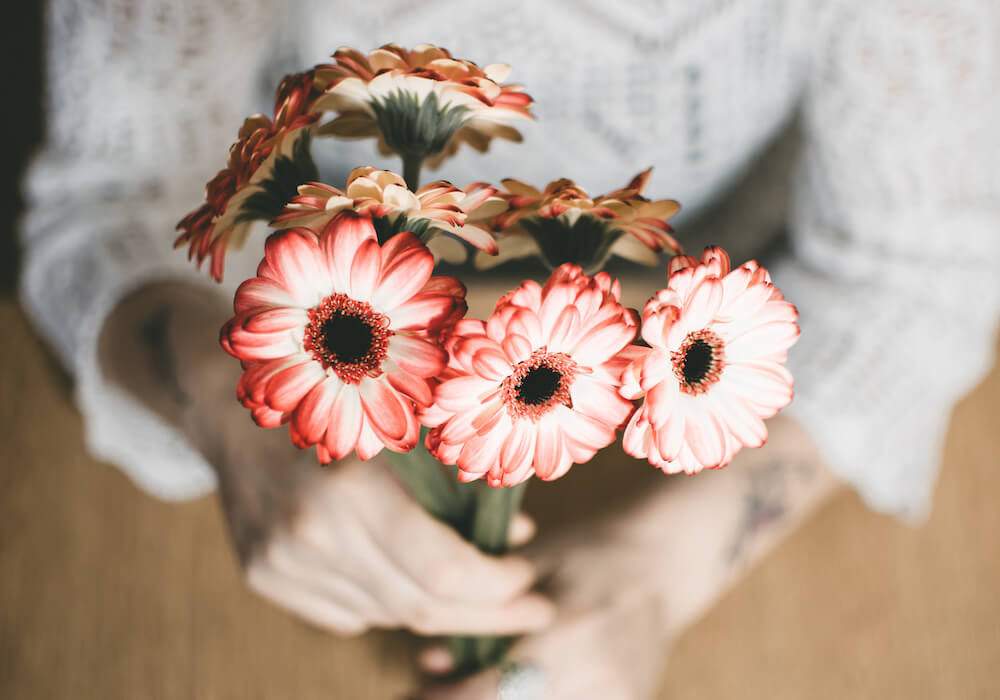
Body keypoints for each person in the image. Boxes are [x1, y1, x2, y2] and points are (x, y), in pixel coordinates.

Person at [20, 1, 999, 697]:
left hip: (701, 313)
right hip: (331, 292)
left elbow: (918, 271)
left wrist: (657, 567)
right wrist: (240, 424)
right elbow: (115, 206)